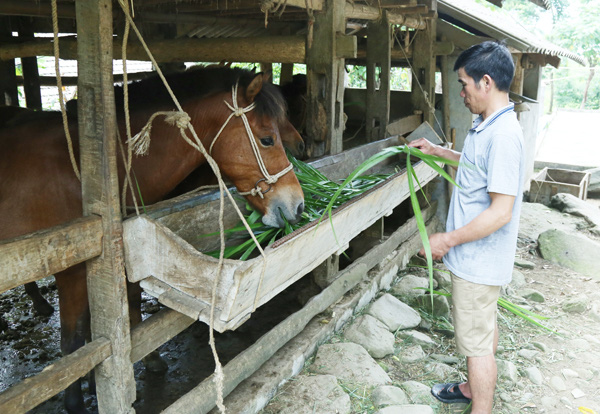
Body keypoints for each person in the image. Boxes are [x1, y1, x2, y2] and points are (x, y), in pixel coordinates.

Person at [408, 40, 525, 414]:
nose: (461, 93)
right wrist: (441, 151)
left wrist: (447, 238)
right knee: (482, 331)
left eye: (463, 84)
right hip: (476, 258)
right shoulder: (487, 126)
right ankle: (470, 387)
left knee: (475, 344)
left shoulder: (504, 136)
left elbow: (501, 212)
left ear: (486, 82)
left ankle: (481, 407)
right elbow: (477, 165)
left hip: (478, 259)